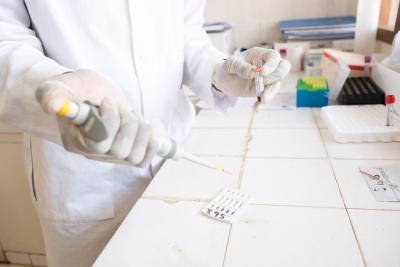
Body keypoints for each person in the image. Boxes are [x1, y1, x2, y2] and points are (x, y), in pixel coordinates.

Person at [0, 1, 290, 266]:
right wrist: (60, 87)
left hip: (173, 160)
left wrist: (216, 73)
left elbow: (186, 32)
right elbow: (5, 40)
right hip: (87, 181)